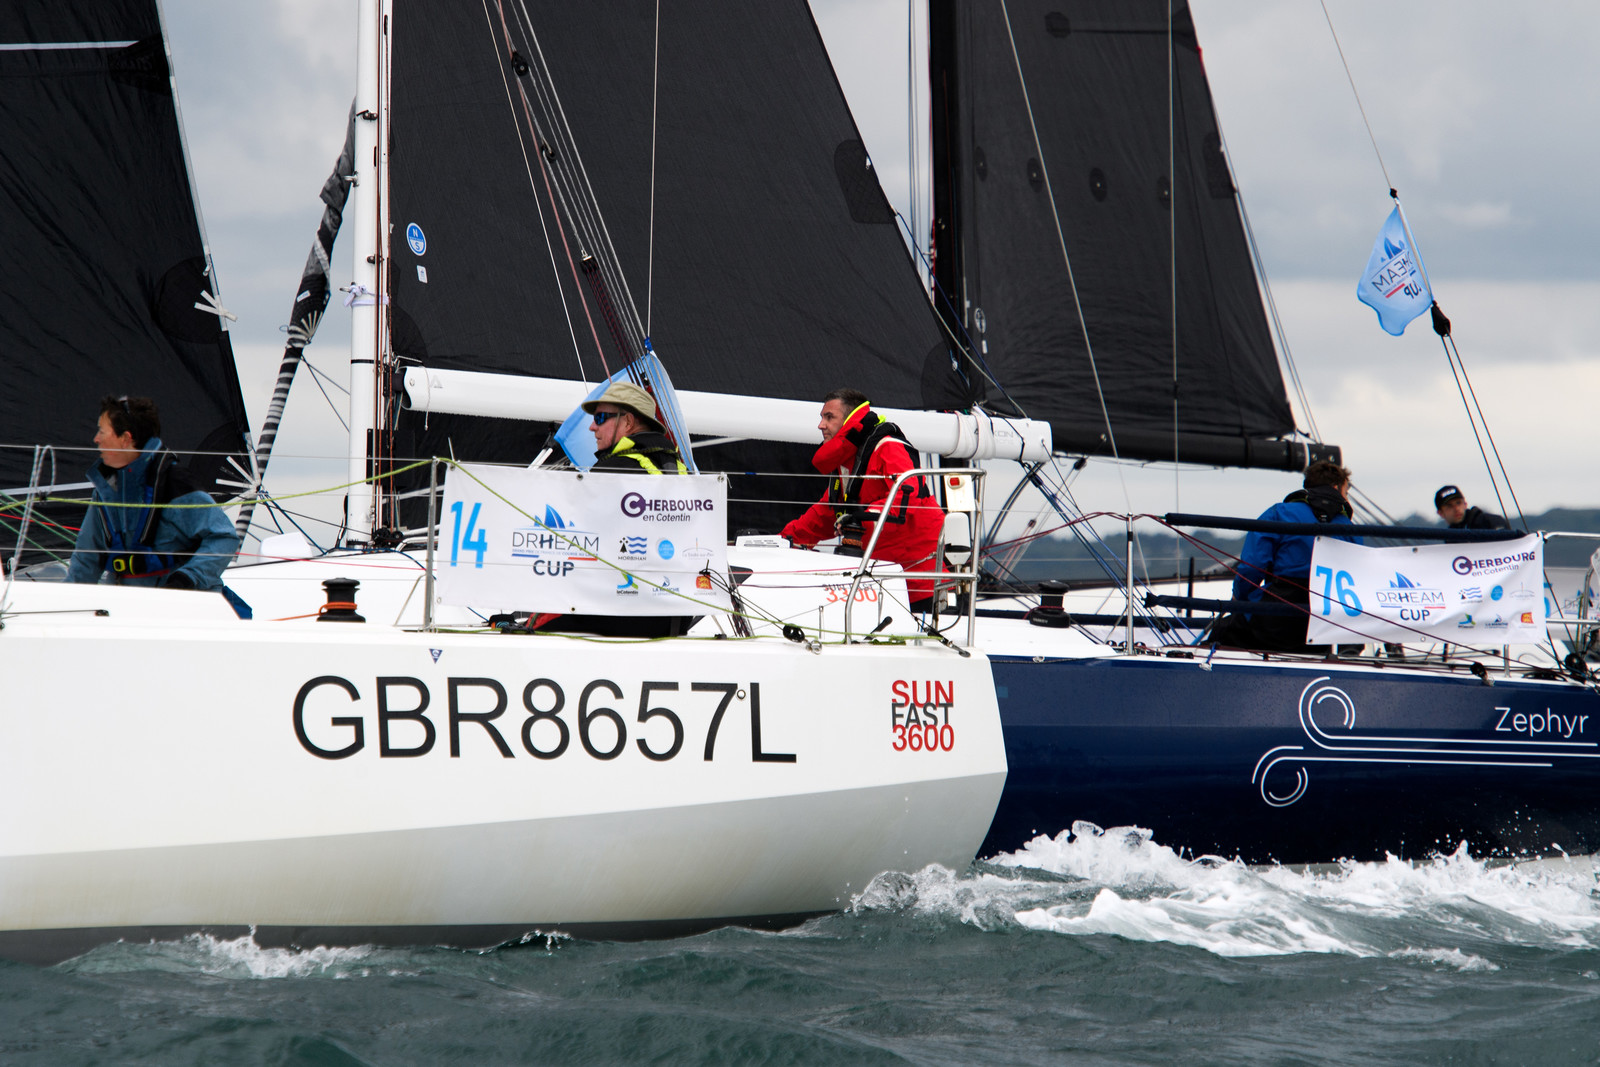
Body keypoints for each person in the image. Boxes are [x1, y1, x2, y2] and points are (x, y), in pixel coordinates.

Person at [781, 388, 944, 610]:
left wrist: (859, 517)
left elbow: (908, 496)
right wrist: (782, 540)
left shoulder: (888, 447)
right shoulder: (847, 463)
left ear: (848, 421)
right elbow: (826, 513)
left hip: (921, 582)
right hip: (884, 583)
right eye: (821, 418)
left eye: (829, 417)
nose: (821, 425)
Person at [66, 395, 239, 591]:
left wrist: (187, 578)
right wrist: (63, 605)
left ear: (125, 439)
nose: (96, 439)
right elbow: (86, 561)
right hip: (125, 607)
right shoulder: (106, 491)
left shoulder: (176, 486)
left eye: (102, 431)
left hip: (181, 605)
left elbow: (224, 538)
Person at [1211, 460, 1363, 653]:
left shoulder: (1279, 513)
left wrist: (1240, 599)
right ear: (1336, 487)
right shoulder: (1350, 529)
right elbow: (1359, 582)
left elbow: (1251, 567)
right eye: (1346, 492)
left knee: (1220, 634)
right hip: (1321, 626)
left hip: (1276, 616)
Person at [584, 382, 686, 474]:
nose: (592, 427)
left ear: (628, 422)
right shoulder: (682, 470)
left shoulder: (611, 470)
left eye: (600, 418)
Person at [1434, 484, 1509, 531]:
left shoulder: (1490, 522)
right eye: (1449, 506)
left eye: (1458, 503)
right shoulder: (1449, 538)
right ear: (1441, 513)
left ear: (1465, 504)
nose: (1456, 509)